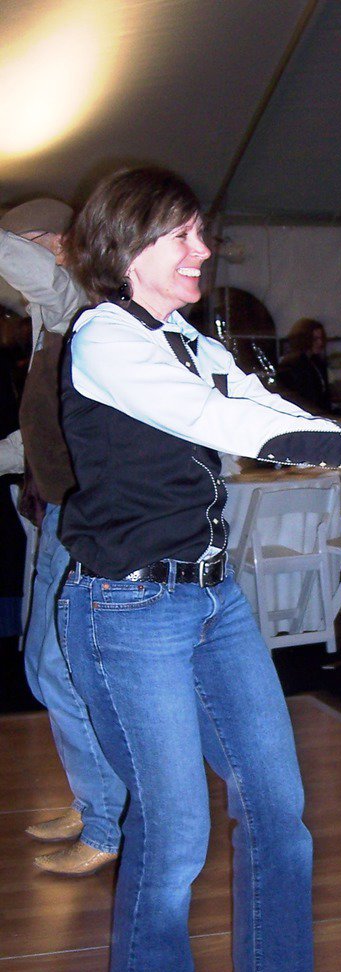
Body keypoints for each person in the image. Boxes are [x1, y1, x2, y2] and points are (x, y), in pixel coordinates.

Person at [57, 165, 341, 972]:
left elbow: (267, 412)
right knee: (175, 834)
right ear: (126, 243)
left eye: (200, 232)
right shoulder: (104, 337)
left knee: (277, 810)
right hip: (130, 609)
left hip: (212, 601)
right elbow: (220, 423)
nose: (203, 250)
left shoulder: (185, 336)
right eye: (181, 234)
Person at [0, 198, 127, 875]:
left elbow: (39, 274)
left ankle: (106, 824)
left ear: (56, 243)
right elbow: (40, 432)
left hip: (78, 517)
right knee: (44, 666)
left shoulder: (75, 300)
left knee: (61, 666)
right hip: (50, 510)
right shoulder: (48, 322)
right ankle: (94, 799)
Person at [275, 317, 332, 412]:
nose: (320, 342)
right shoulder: (292, 365)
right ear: (304, 339)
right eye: (315, 339)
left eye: (321, 338)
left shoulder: (317, 362)